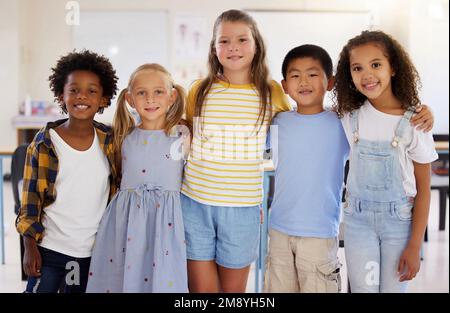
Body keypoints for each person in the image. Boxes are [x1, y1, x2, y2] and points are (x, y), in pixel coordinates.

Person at [180, 9, 292, 292]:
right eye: (224, 41)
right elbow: (185, 138)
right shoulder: (199, 90)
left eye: (242, 39)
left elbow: (296, 128)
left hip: (242, 208)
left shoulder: (271, 92)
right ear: (214, 48)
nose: (233, 48)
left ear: (256, 45)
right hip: (194, 203)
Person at [333, 30, 438, 292]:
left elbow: (424, 190)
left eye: (376, 65)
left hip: (398, 226)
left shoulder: (415, 122)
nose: (367, 74)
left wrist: (415, 246)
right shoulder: (349, 116)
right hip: (358, 224)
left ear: (393, 68)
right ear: (349, 76)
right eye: (357, 68)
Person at [16, 50, 118, 293]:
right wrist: (29, 247)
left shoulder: (111, 141)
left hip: (92, 252)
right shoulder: (44, 143)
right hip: (49, 250)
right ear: (62, 95)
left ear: (104, 99)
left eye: (91, 90)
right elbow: (30, 202)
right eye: (73, 90)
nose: (81, 96)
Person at [86, 63, 190, 293]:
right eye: (142, 93)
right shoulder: (123, 136)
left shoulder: (182, 135)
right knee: (123, 277)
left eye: (158, 92)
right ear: (131, 99)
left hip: (166, 222)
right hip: (127, 220)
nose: (150, 99)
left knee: (163, 278)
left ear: (172, 97)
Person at [264, 45, 349, 293]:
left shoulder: (341, 123)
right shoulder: (277, 122)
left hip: (320, 232)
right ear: (284, 85)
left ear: (330, 82)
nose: (303, 82)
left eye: (312, 74)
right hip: (279, 228)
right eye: (295, 75)